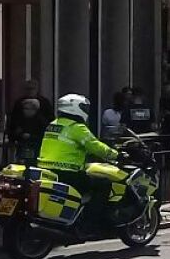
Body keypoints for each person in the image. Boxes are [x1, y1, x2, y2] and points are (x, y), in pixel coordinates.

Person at [37, 94, 120, 225]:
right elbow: (96, 146)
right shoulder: (77, 128)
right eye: (83, 107)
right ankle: (91, 221)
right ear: (74, 108)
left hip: (46, 170)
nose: (86, 111)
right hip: (68, 172)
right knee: (103, 184)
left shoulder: (52, 124)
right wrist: (116, 154)